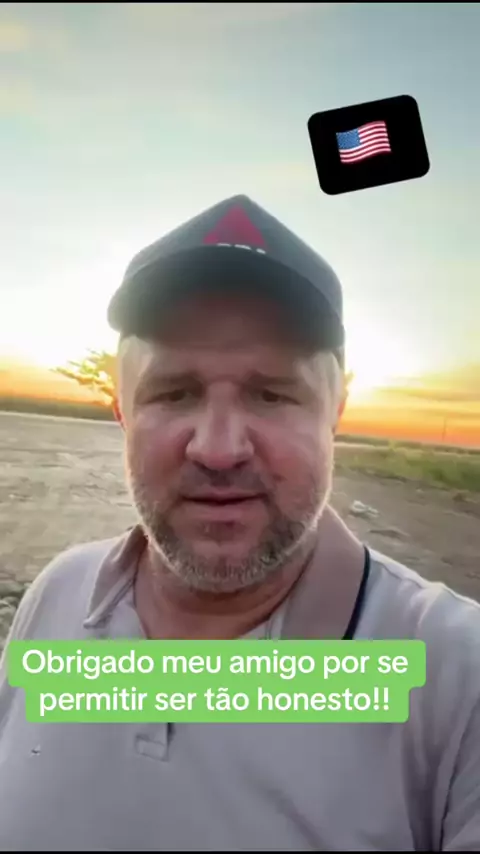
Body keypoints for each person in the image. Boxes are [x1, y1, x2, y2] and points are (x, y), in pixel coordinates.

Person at [0, 195, 479, 852]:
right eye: (175, 393)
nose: (219, 449)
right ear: (123, 412)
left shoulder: (455, 676)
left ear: (335, 411)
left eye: (271, 394)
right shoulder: (62, 593)